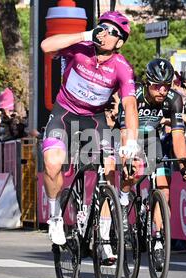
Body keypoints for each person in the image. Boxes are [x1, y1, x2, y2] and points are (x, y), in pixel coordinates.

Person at [40, 11, 139, 263]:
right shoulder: (82, 47)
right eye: (102, 27)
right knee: (53, 164)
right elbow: (46, 46)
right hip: (63, 114)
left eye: (113, 32)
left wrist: (131, 141)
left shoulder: (122, 68)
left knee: (109, 168)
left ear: (120, 42)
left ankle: (104, 239)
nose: (106, 34)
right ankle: (55, 217)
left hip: (93, 120)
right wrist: (86, 34)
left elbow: (129, 106)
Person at [118, 58, 186, 270]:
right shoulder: (132, 96)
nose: (162, 90)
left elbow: (179, 135)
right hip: (129, 137)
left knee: (164, 189)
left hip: (152, 140)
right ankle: (123, 202)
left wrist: (183, 166)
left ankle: (159, 239)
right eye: (156, 85)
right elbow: (125, 133)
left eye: (166, 85)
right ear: (147, 83)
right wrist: (127, 160)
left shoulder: (174, 99)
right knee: (131, 172)